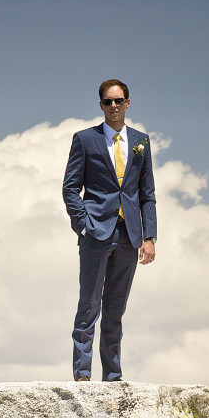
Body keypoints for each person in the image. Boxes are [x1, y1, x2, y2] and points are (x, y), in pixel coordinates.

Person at [63, 78, 156, 381]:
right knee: (89, 305)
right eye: (107, 101)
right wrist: (82, 224)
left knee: (115, 309)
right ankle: (82, 374)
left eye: (118, 101)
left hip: (129, 235)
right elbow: (70, 188)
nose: (113, 106)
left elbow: (147, 193)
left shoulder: (141, 141)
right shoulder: (85, 139)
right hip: (96, 233)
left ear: (128, 103)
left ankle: (113, 377)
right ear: (101, 105)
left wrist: (149, 237)